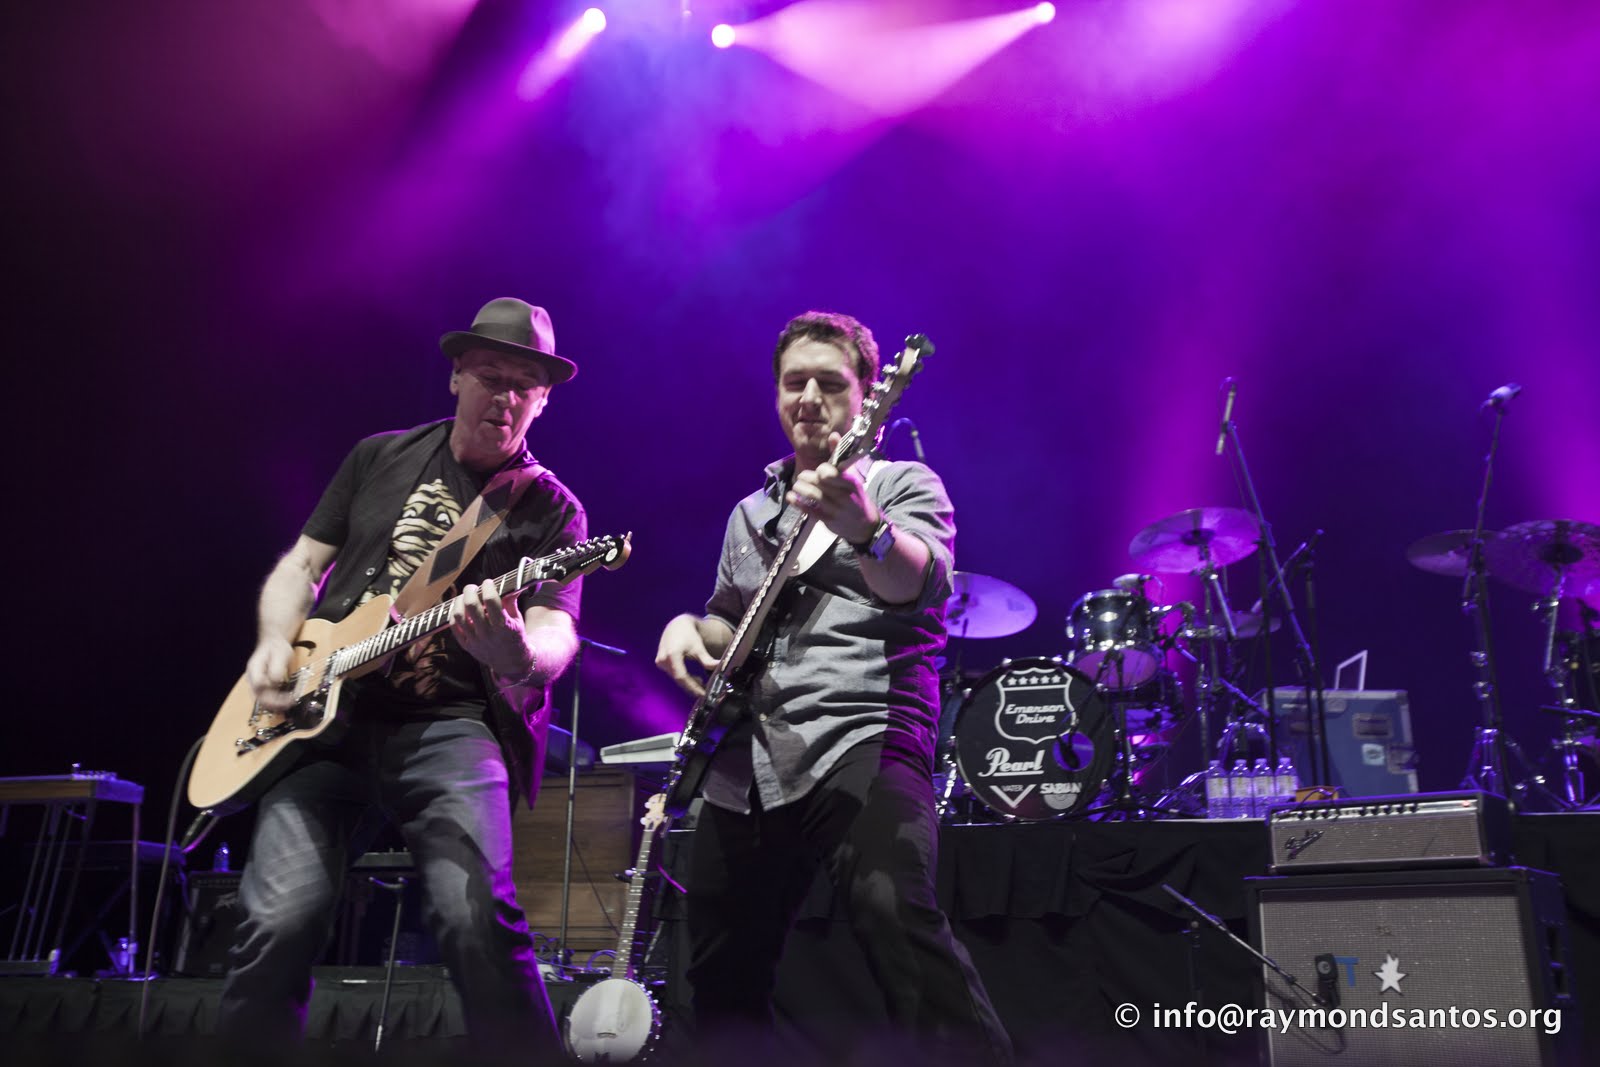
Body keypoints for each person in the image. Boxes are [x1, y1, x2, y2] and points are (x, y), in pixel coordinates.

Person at [217, 298, 587, 1058]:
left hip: (451, 728)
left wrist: (518, 654)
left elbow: (558, 629)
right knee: (275, 923)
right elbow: (302, 565)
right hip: (326, 723)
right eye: (490, 376)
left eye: (525, 384)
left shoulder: (552, 510)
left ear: (544, 400)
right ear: (456, 377)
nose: (506, 396)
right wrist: (273, 641)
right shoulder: (378, 457)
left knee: (478, 919)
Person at [654, 310, 1012, 1062]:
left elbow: (916, 584)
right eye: (795, 382)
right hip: (751, 756)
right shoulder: (751, 513)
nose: (810, 397)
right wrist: (689, 625)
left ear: (867, 396)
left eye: (830, 382)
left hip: (864, 729)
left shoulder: (902, 483)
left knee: (894, 915)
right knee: (718, 970)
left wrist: (868, 529)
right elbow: (730, 624)